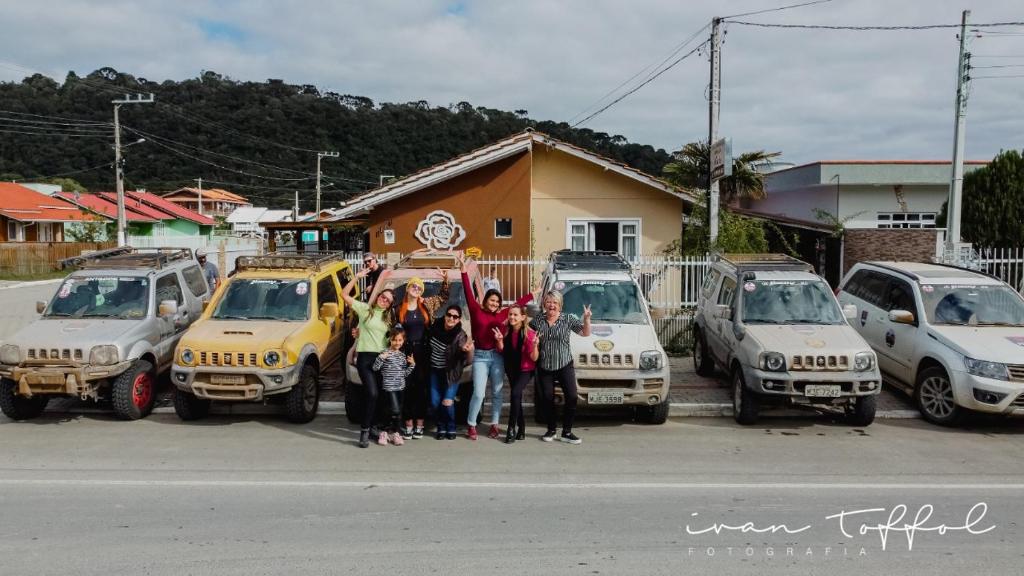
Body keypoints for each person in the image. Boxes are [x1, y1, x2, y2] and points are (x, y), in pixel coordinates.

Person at [461, 255, 535, 441]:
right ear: (486, 300)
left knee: (496, 392)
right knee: (478, 393)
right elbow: (469, 292)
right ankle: (471, 424)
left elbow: (519, 304)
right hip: (480, 356)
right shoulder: (476, 309)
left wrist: (534, 294)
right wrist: (463, 272)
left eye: (497, 302)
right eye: (491, 300)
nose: (494, 304)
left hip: (497, 357)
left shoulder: (503, 313)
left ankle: (494, 424)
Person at [342, 267, 395, 448]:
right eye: (383, 297)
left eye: (388, 300)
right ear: (378, 296)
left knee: (381, 395)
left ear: (389, 305)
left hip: (382, 358)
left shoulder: (389, 318)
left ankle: (375, 427)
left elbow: (394, 338)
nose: (384, 300)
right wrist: (356, 278)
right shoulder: (365, 310)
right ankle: (364, 431)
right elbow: (344, 294)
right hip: (365, 358)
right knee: (372, 393)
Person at [530, 290, 591, 445]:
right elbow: (528, 334)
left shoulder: (568, 319)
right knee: (547, 399)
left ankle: (567, 431)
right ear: (544, 303)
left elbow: (585, 333)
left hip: (564, 364)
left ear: (560, 305)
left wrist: (586, 319)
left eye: (555, 302)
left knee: (572, 396)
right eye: (549, 302)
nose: (552, 305)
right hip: (545, 365)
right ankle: (551, 429)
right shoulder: (538, 320)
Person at [395, 271, 449, 440]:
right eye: (413, 286)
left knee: (421, 389)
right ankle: (408, 423)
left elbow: (443, 296)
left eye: (419, 287)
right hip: (405, 352)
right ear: (408, 288)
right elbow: (388, 327)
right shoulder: (398, 308)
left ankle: (420, 423)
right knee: (407, 388)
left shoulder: (426, 304)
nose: (416, 289)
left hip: (423, 351)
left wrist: (445, 280)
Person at [493, 304, 539, 444]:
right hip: (512, 369)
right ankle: (522, 429)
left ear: (523, 317)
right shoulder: (507, 331)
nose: (512, 317)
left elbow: (534, 358)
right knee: (516, 397)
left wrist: (535, 345)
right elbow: (502, 351)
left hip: (525, 370)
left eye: (515, 315)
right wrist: (500, 341)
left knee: (515, 394)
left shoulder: (529, 334)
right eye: (510, 314)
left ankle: (511, 429)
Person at [428, 305, 474, 440]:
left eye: (455, 317)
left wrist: (468, 350)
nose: (451, 318)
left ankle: (451, 426)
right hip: (434, 371)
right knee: (435, 402)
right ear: (445, 315)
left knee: (447, 402)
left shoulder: (460, 335)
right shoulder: (434, 327)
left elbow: (469, 360)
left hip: (451, 373)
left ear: (459, 319)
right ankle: (441, 426)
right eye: (449, 315)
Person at [373, 326, 416, 447]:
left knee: (397, 412)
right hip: (389, 387)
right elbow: (375, 368)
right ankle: (384, 432)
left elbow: (404, 374)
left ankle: (395, 433)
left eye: (400, 340)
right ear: (390, 340)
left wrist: (412, 365)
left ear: (403, 341)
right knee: (394, 410)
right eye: (394, 340)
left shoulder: (402, 356)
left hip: (400, 387)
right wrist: (381, 358)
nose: (397, 343)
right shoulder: (385, 353)